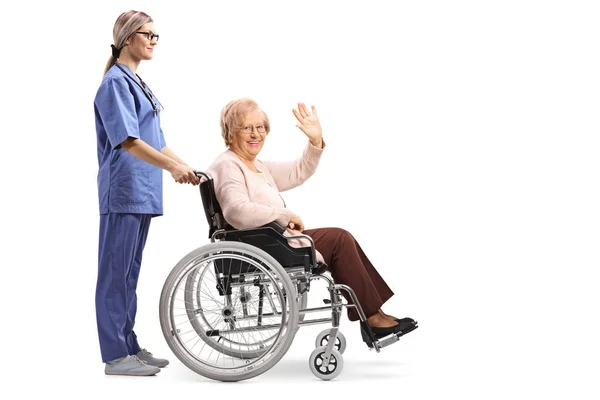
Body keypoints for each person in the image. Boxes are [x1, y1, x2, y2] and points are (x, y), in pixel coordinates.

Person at [207, 98, 417, 342]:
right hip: (259, 246)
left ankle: (374, 314)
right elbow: (236, 212)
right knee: (338, 239)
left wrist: (315, 141)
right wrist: (284, 215)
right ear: (231, 132)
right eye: (247, 128)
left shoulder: (255, 165)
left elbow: (299, 171)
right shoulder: (228, 165)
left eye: (261, 127)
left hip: (273, 240)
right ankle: (372, 318)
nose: (256, 134)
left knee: (340, 237)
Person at [94, 10, 200, 376]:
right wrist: (171, 168)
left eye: (157, 36)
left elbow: (158, 142)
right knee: (114, 274)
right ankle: (115, 356)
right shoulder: (114, 84)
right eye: (148, 34)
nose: (154, 41)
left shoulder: (137, 83)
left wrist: (185, 165)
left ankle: (129, 346)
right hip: (123, 190)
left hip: (142, 191)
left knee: (129, 274)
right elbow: (127, 140)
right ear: (127, 38)